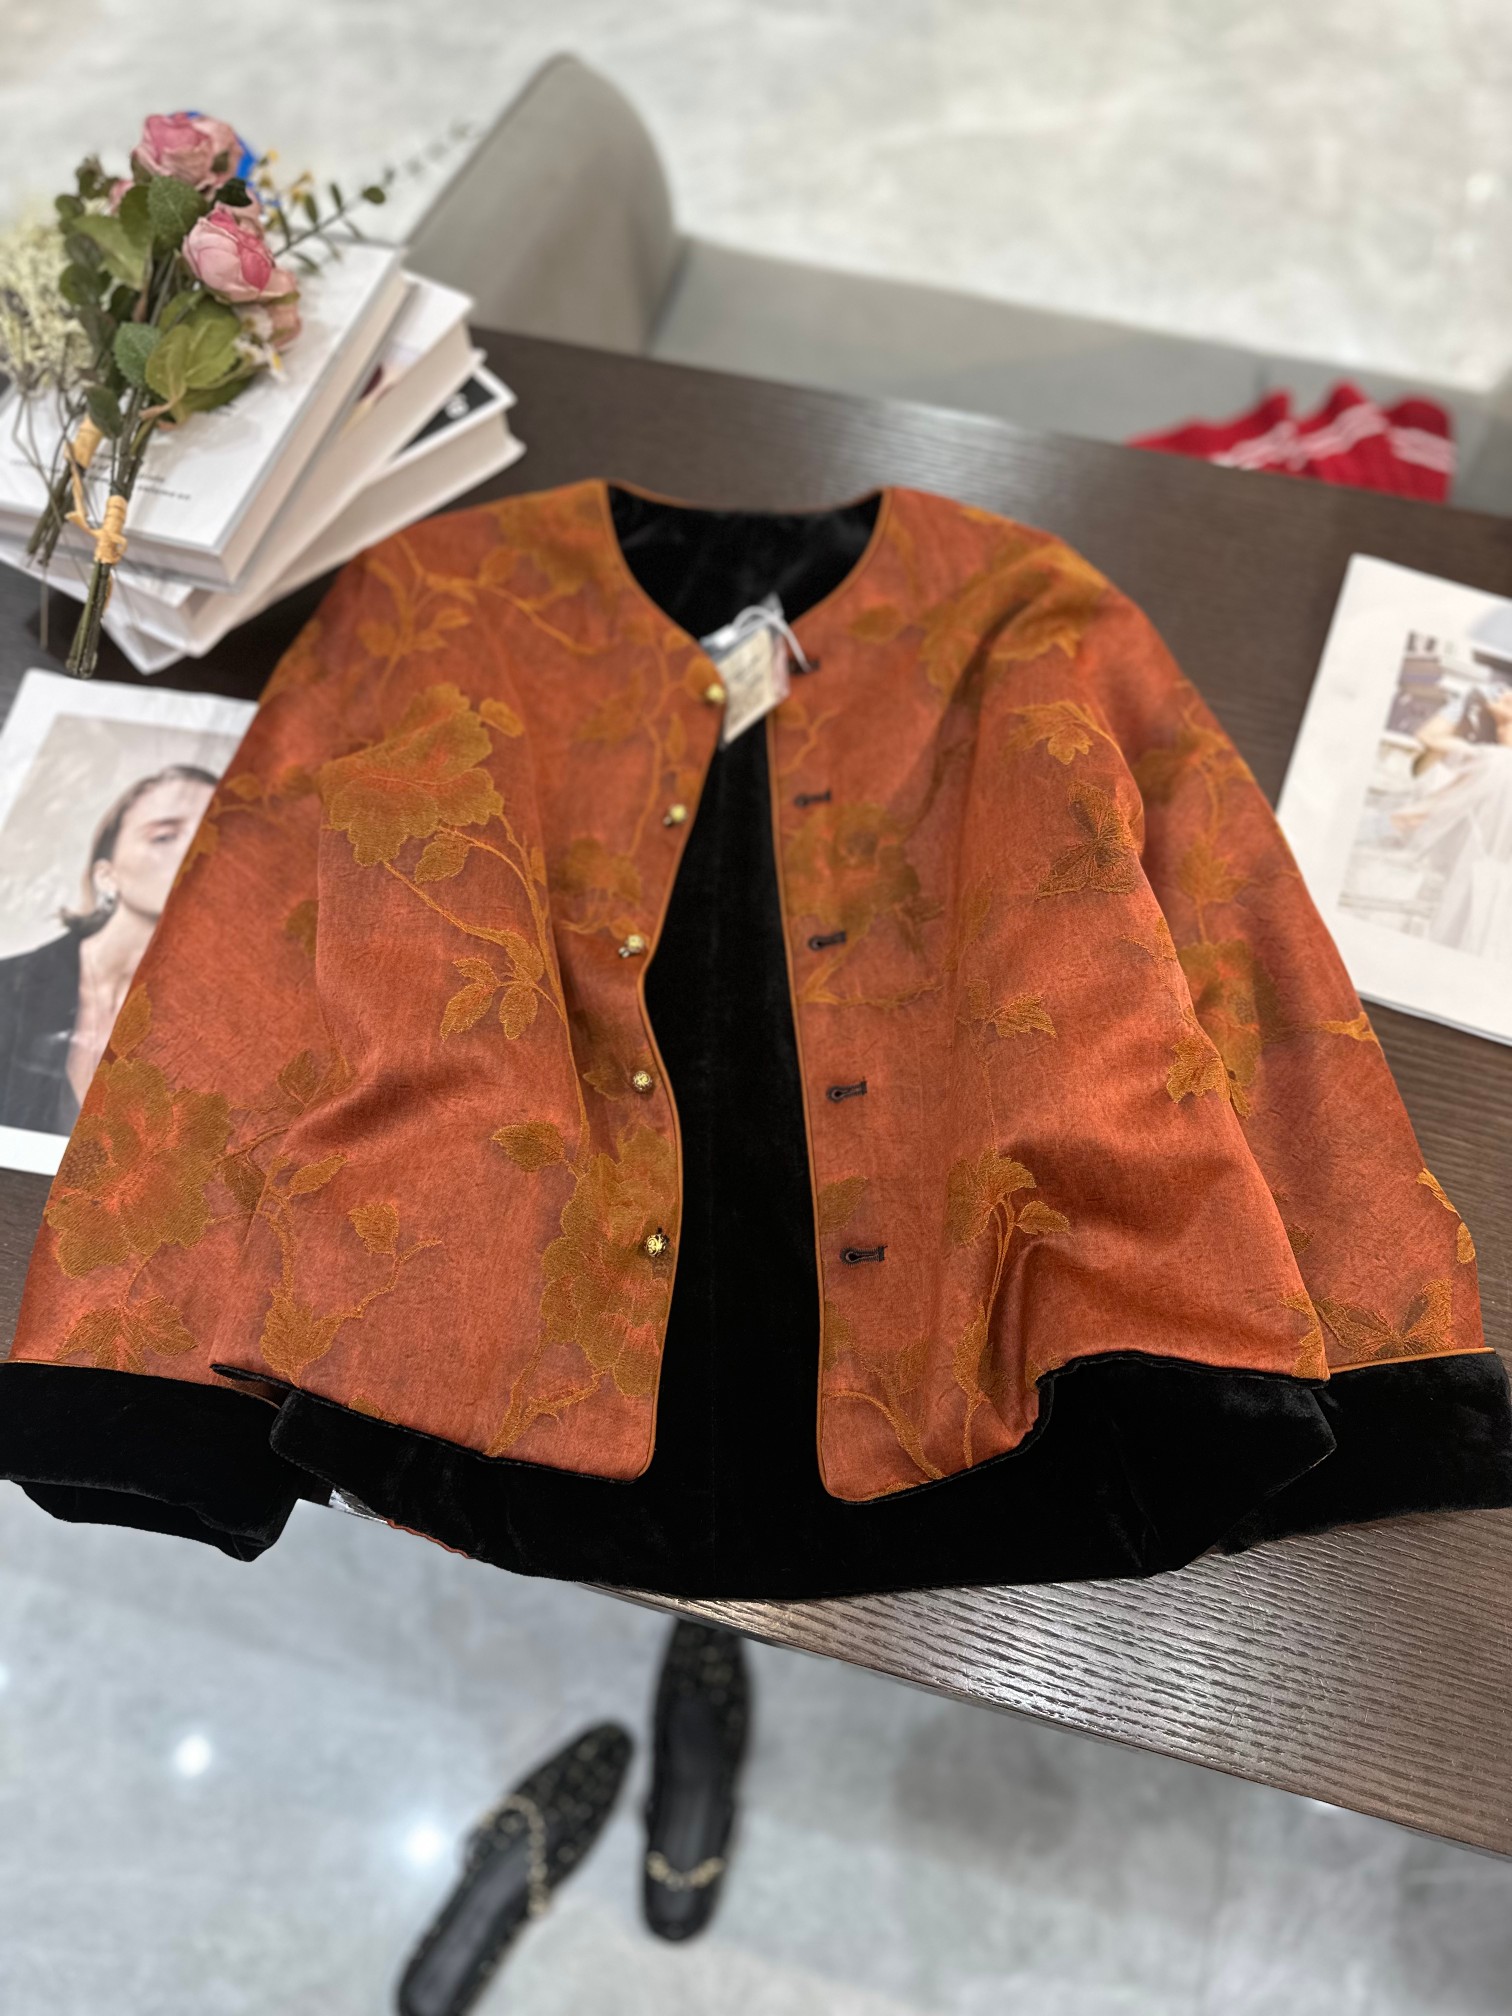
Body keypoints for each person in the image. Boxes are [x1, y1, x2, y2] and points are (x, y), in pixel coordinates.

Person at [0, 764, 218, 1134]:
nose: (195, 850)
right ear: (106, 875)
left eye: (213, 836)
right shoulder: (9, 986)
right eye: (164, 836)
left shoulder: (223, 1008)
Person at [1391, 682, 1512, 961]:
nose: (1503, 691)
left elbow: (1414, 819)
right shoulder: (1489, 759)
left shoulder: (1492, 762)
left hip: (1474, 887)